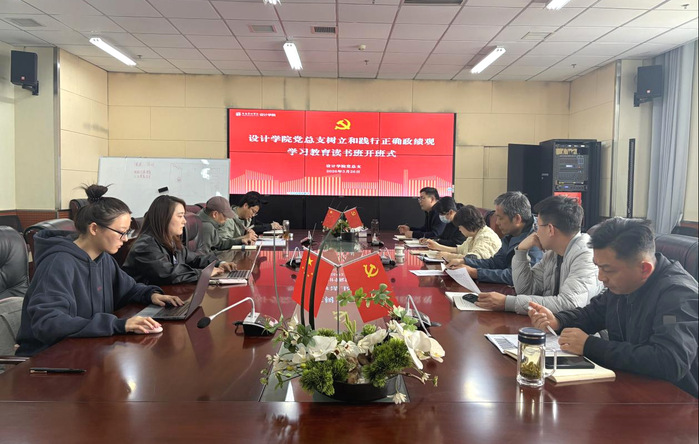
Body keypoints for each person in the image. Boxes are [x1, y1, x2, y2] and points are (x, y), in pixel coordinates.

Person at [529, 218, 698, 398]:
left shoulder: (678, 296)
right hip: (630, 387)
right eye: (598, 267)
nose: (601, 277)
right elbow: (593, 313)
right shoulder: (624, 283)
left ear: (644, 269)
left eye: (608, 270)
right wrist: (558, 320)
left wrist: (590, 346)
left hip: (674, 402)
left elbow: (669, 361)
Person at [15, 185, 185, 357]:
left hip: (85, 350)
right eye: (121, 232)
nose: (125, 239)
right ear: (94, 229)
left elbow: (129, 289)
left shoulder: (103, 259)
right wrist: (118, 325)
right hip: (49, 358)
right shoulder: (58, 263)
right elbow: (48, 323)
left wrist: (151, 295)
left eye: (128, 232)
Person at [476, 195, 603, 314]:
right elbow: (526, 290)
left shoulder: (586, 255)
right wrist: (521, 251)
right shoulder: (552, 253)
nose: (535, 231)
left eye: (538, 226)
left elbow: (569, 304)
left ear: (550, 229)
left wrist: (507, 303)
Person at [123, 195, 234, 285]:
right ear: (164, 218)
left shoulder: (171, 240)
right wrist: (205, 273)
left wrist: (219, 263)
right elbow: (168, 273)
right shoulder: (145, 246)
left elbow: (195, 259)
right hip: (142, 303)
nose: (184, 221)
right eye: (180, 216)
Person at [447, 191, 542, 285]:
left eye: (500, 218)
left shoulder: (536, 239)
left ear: (517, 219)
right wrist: (465, 261)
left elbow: (516, 276)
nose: (497, 222)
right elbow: (495, 262)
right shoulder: (511, 234)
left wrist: (475, 273)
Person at [426, 205, 501, 262]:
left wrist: (449, 256)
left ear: (467, 225)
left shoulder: (486, 236)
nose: (459, 229)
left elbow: (473, 258)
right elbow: (460, 249)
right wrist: (438, 247)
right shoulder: (473, 235)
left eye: (460, 227)